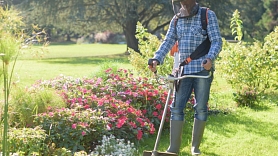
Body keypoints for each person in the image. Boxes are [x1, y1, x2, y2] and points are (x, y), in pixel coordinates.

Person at [148, 0, 222, 155]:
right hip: (183, 72)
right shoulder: (176, 20)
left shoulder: (207, 15)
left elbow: (216, 41)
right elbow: (168, 41)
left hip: (202, 70)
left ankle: (195, 147)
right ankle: (173, 149)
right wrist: (156, 59)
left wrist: (210, 58)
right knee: (176, 107)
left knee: (200, 108)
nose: (182, 7)